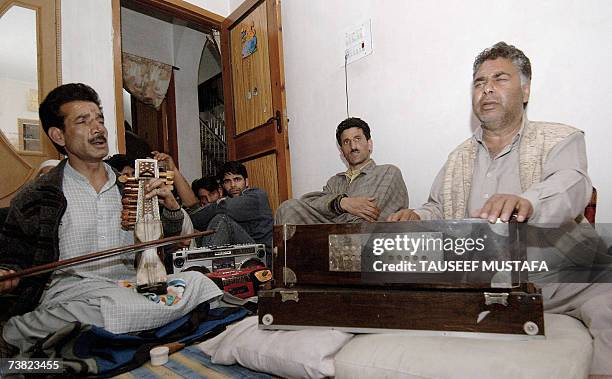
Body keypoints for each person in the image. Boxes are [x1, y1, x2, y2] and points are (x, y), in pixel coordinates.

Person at [388, 42, 611, 377]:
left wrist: (528, 201)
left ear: (525, 90)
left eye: (499, 78)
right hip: (486, 287)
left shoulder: (560, 138)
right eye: (479, 83)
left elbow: (573, 185)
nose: (487, 88)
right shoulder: (458, 158)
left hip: (565, 282)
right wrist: (416, 216)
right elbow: (437, 207)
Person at [0, 83, 222, 356]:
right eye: (83, 121)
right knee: (111, 306)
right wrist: (7, 271)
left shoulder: (131, 186)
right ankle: (23, 330)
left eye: (100, 120)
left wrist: (172, 206)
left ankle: (94, 334)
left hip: (134, 287)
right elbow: (13, 255)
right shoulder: (39, 194)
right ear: (58, 135)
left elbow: (172, 245)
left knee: (200, 283)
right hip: (74, 294)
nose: (99, 129)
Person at [275, 117, 409, 224]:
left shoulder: (387, 173)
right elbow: (308, 203)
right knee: (287, 208)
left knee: (357, 226)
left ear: (369, 144)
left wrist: (329, 209)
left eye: (357, 139)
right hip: (327, 238)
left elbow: (364, 220)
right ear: (342, 151)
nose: (353, 146)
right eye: (346, 142)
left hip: (366, 242)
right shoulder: (335, 181)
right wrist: (341, 203)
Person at [154, 154, 273, 252]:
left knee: (222, 219)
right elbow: (194, 206)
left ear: (246, 182)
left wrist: (189, 220)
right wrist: (173, 169)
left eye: (237, 179)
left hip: (259, 254)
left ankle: (204, 268)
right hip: (236, 253)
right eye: (227, 181)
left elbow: (224, 208)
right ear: (222, 186)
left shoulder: (256, 195)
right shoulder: (225, 200)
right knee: (196, 232)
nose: (233, 185)